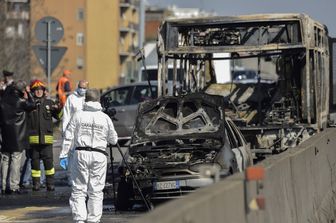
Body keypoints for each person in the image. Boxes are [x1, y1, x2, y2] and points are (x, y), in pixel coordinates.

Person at [59, 89, 118, 223]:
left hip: (81, 154)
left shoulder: (78, 115)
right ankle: (93, 220)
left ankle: (80, 219)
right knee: (96, 191)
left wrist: (63, 154)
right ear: (98, 101)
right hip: (99, 155)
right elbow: (113, 140)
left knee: (79, 189)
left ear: (85, 100)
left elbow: (68, 136)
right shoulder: (105, 118)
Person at [0, 80, 36, 194]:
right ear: (22, 90)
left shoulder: (3, 100)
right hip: (17, 136)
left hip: (5, 134)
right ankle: (14, 186)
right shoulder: (21, 102)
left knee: (5, 159)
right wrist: (29, 93)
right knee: (16, 160)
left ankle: (3, 185)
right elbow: (33, 104)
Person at [28, 80, 62, 191]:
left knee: (48, 163)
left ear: (44, 91)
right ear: (33, 92)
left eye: (40, 90)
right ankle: (36, 184)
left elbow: (59, 117)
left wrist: (59, 108)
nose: (38, 92)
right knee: (35, 163)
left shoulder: (49, 103)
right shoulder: (29, 104)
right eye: (36, 90)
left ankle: (50, 184)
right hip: (34, 140)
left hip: (46, 139)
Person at [62, 80, 88, 186]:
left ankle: (83, 177)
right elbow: (66, 115)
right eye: (81, 87)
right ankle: (71, 177)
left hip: (85, 131)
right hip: (73, 130)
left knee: (84, 154)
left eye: (84, 88)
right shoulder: (71, 98)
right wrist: (65, 130)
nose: (82, 90)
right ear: (78, 87)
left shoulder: (88, 98)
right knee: (72, 154)